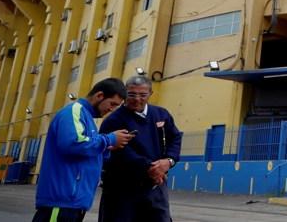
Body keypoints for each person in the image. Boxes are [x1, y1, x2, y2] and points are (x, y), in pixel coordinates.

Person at [33, 78, 133, 222]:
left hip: (74, 203)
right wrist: (109, 139)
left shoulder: (86, 118)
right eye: (112, 104)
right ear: (99, 96)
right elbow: (73, 144)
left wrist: (106, 148)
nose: (111, 109)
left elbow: (84, 153)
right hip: (61, 202)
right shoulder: (75, 112)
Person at [98, 76, 183, 222]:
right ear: (125, 94)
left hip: (156, 186)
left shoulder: (161, 115)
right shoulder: (113, 121)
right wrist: (151, 168)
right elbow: (120, 152)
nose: (137, 99)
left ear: (151, 94)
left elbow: (175, 138)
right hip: (122, 189)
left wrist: (169, 161)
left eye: (143, 95)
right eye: (132, 94)